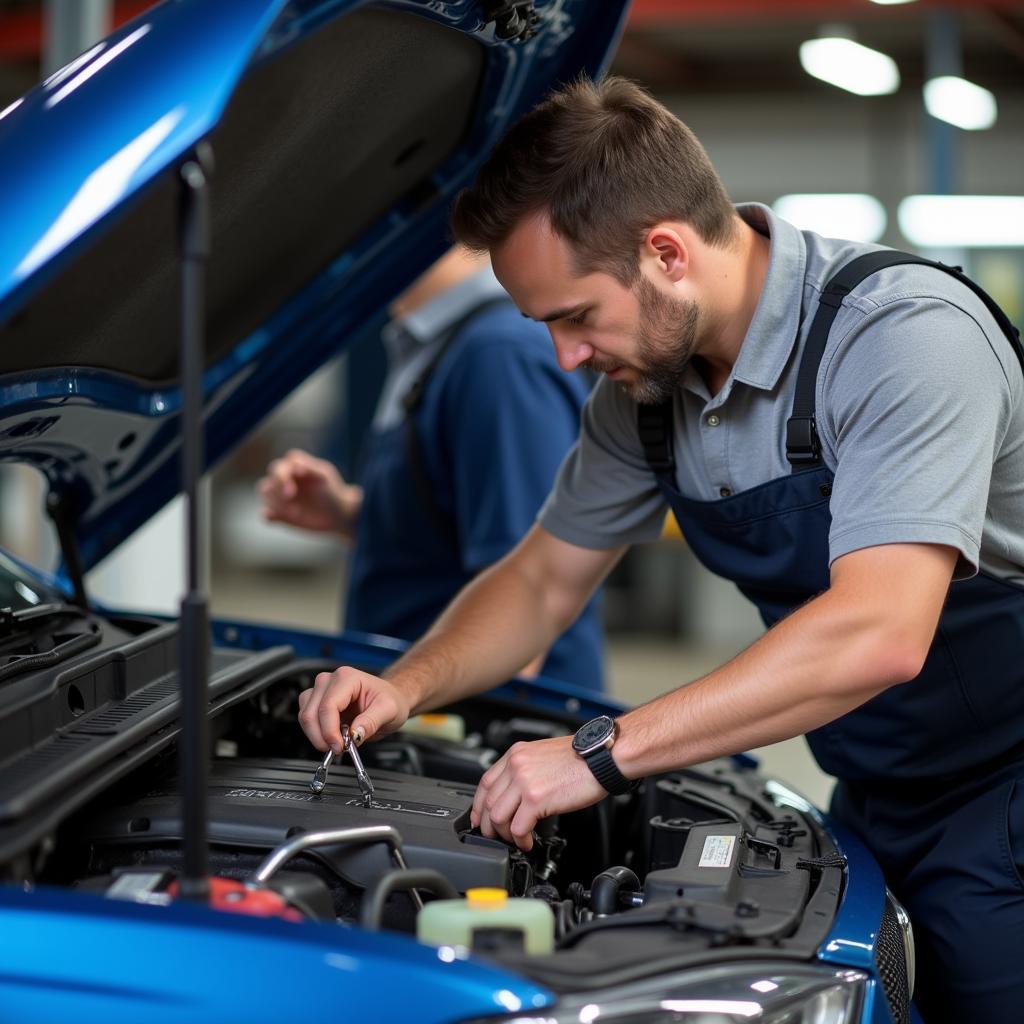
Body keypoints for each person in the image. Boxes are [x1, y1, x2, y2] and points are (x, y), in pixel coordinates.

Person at [294, 78, 1024, 1022]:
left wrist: (598, 754)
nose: (564, 356)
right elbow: (540, 578)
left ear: (667, 253)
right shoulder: (642, 404)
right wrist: (407, 683)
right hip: (875, 790)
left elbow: (879, 632)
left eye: (575, 316)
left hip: (1008, 793)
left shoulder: (902, 339)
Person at [259, 245, 605, 690]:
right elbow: (457, 519)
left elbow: (525, 605)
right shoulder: (438, 343)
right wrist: (351, 513)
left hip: (490, 731)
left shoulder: (499, 356)